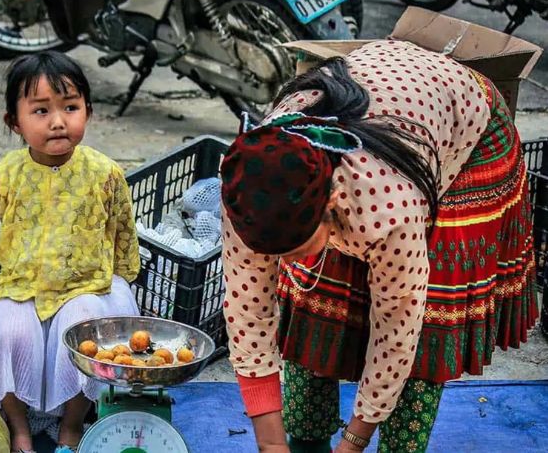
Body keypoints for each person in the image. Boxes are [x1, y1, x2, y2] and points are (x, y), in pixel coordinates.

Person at [220, 40, 537, 452]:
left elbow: (396, 328)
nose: (277, 262)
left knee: (428, 325)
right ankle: (305, 441)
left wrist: (352, 443)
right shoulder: (248, 180)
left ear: (332, 202)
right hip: (387, 109)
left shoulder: (391, 209)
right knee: (310, 294)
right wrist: (270, 444)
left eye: (293, 248)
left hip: (464, 131)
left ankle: (398, 446)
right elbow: (247, 310)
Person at [0, 51, 140, 453]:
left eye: (70, 107)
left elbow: (122, 228)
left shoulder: (106, 173)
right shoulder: (7, 174)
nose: (57, 121)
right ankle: (18, 426)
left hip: (85, 285)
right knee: (6, 333)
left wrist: (126, 275)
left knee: (86, 332)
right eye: (40, 111)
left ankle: (71, 424)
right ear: (14, 122)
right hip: (21, 287)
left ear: (88, 109)